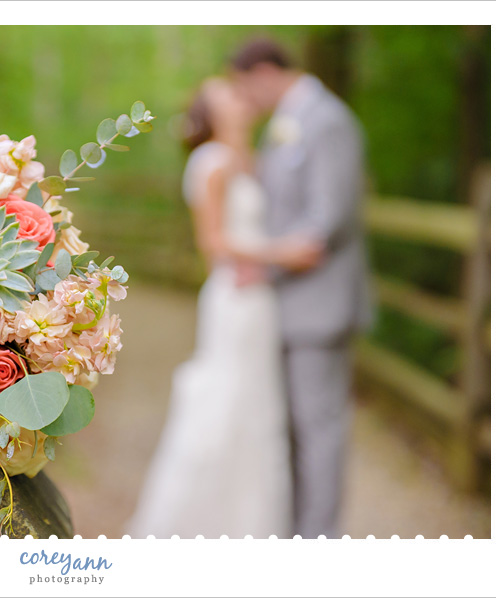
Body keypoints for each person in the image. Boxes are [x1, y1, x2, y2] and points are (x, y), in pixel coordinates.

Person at [126, 77, 321, 539]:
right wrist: (281, 254)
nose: (239, 97)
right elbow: (213, 242)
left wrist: (265, 263)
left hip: (260, 297)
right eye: (227, 95)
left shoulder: (253, 158)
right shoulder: (210, 161)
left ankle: (253, 524)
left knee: (258, 401)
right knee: (226, 395)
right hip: (234, 296)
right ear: (212, 114)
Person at [230, 38, 372, 539]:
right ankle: (296, 534)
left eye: (246, 86)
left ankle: (319, 542)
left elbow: (327, 220)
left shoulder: (326, 120)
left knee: (319, 431)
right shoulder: (286, 123)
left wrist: (260, 263)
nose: (248, 98)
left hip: (320, 307)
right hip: (288, 305)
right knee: (293, 429)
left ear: (265, 72)